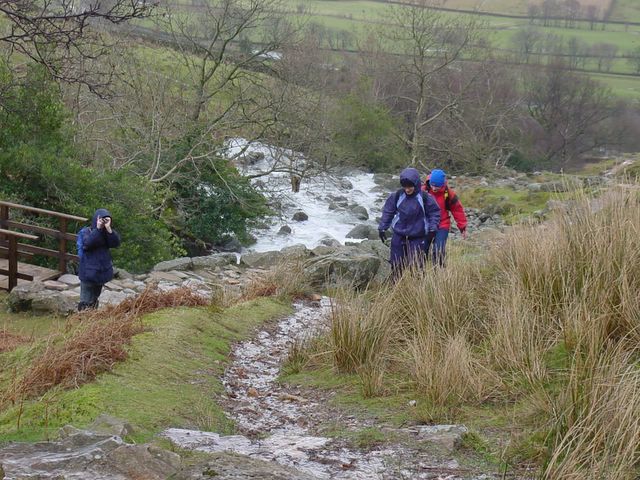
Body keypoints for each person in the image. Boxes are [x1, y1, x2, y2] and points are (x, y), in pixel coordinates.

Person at [378, 167, 441, 281]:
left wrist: (432, 229)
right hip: (399, 235)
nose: (407, 189)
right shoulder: (397, 196)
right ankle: (395, 286)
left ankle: (417, 287)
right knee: (396, 264)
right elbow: (388, 211)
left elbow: (434, 213)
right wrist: (382, 227)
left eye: (410, 186)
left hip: (417, 236)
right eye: (405, 186)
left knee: (416, 266)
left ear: (416, 184)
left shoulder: (425, 197)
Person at [77, 208, 121, 311]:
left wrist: (108, 228)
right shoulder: (86, 232)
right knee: (85, 301)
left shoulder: (107, 233)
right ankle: (82, 318)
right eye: (101, 219)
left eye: (106, 219)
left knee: (94, 299)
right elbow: (87, 244)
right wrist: (97, 229)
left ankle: (93, 317)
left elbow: (116, 243)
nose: (103, 221)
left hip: (100, 273)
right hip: (88, 272)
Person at [422, 169, 467, 267]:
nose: (434, 188)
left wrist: (462, 227)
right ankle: (420, 271)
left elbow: (457, 210)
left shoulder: (448, 193)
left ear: (442, 184)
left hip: (442, 224)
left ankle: (439, 271)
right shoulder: (423, 190)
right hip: (426, 224)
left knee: (438, 251)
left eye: (437, 186)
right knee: (422, 250)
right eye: (432, 185)